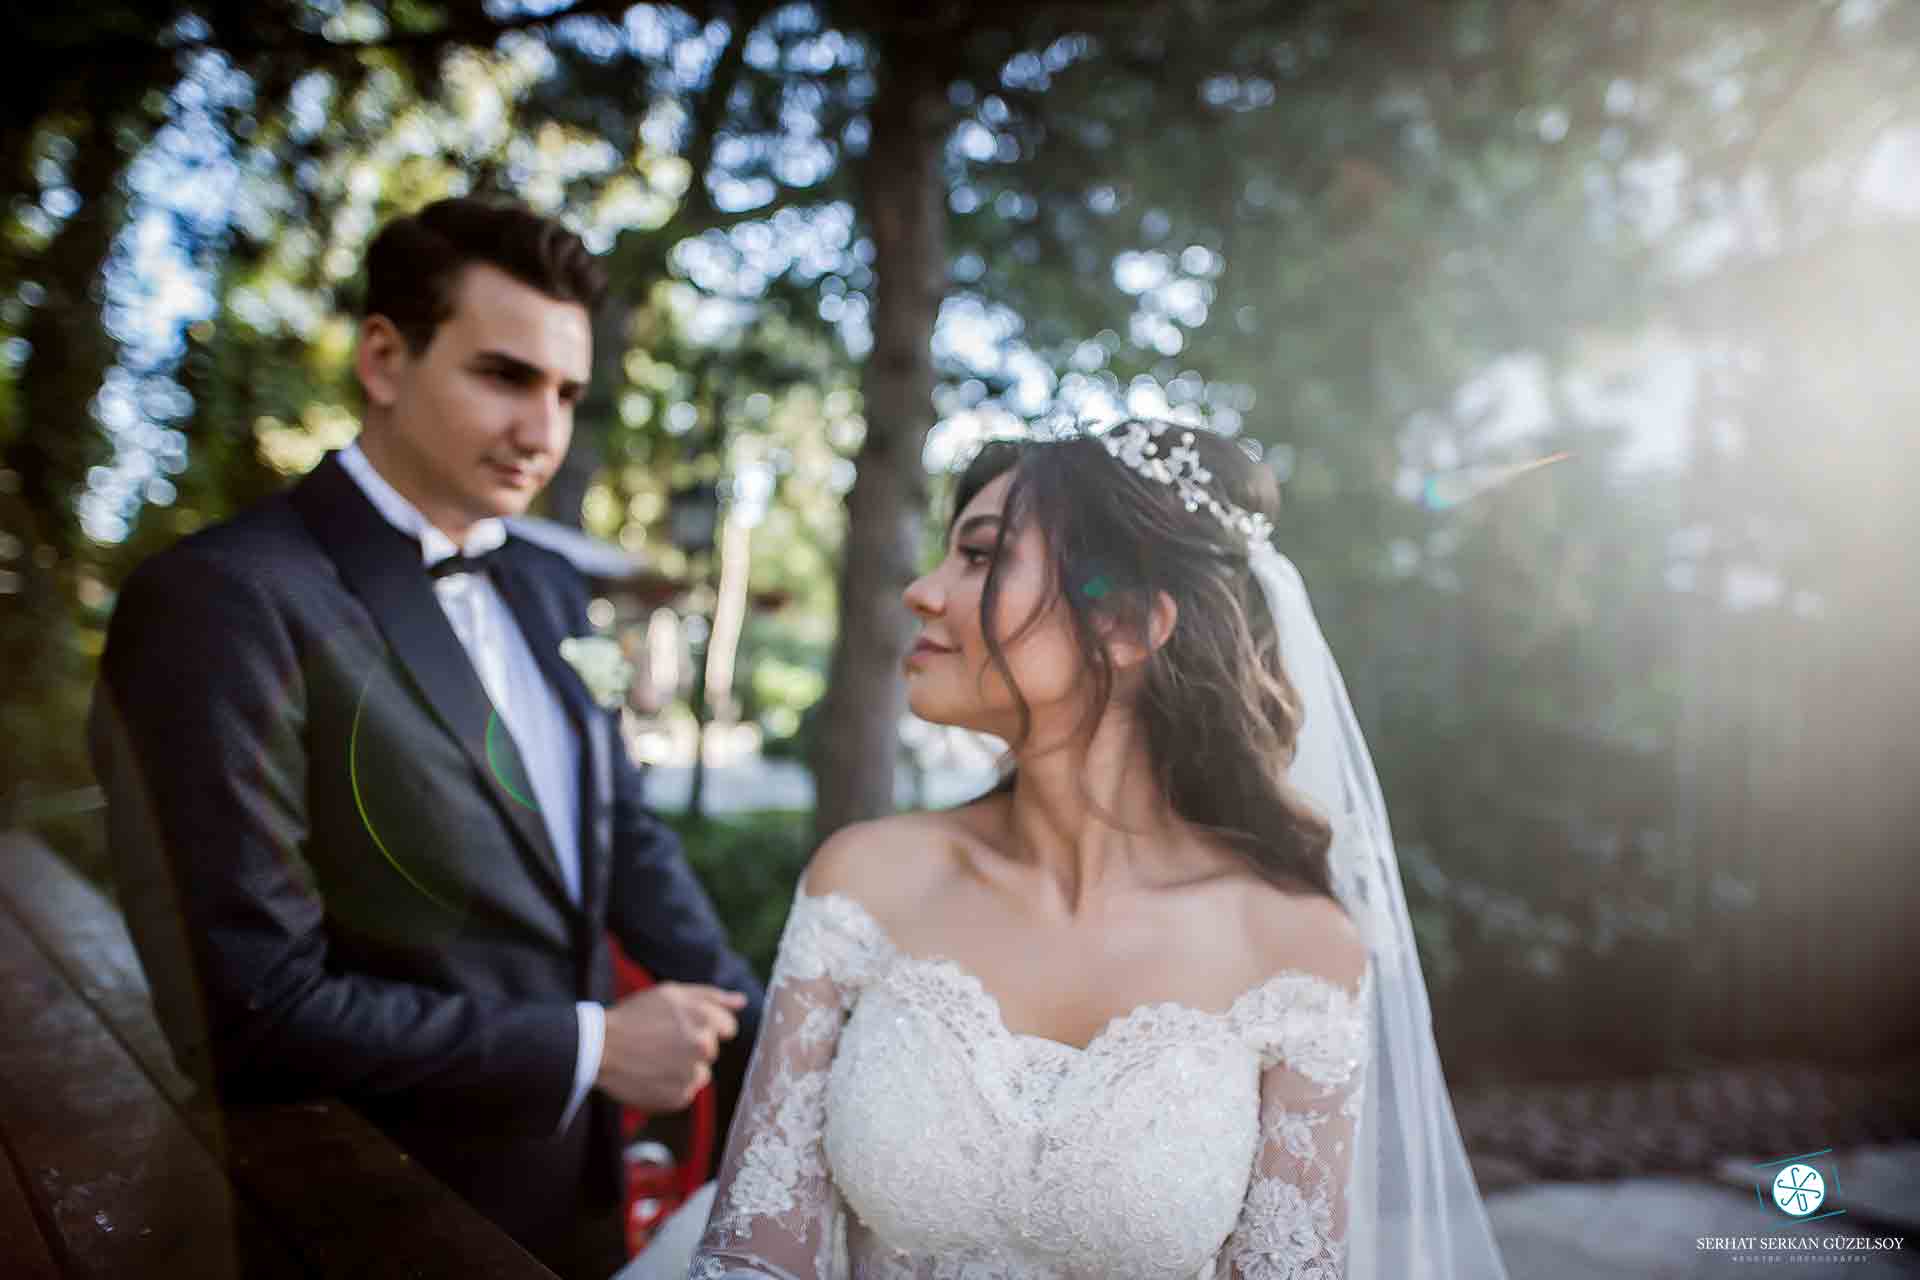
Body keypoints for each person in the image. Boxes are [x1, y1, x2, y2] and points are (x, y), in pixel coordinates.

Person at [88, 196, 765, 1280]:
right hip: (360, 1212)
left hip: (573, 1200)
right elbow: (250, 1012)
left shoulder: (549, 584)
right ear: (384, 357)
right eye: (505, 375)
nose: (543, 431)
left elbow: (623, 835)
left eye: (566, 392)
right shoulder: (220, 601)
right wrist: (591, 1045)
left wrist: (772, 1052)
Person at [662, 421, 1509, 1278]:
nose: (923, 591)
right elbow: (756, 1247)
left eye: (982, 557)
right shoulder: (865, 881)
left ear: (1129, 624)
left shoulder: (1298, 950)